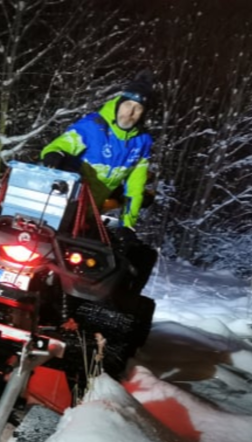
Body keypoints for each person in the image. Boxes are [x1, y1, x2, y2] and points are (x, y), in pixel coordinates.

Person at [40, 71, 158, 290]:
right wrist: (54, 153)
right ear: (119, 103)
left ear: (143, 114)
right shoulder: (94, 126)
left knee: (110, 265)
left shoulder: (141, 143)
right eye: (127, 105)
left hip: (89, 214)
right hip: (60, 206)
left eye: (137, 109)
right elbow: (62, 144)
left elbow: (135, 187)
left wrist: (128, 226)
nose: (129, 113)